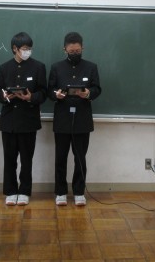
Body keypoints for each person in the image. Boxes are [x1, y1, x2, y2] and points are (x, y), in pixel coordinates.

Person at [47, 31, 101, 206]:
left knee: (80, 158)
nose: (75, 53)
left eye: (77, 51)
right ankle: (60, 192)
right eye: (71, 51)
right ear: (65, 50)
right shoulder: (56, 67)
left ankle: (79, 192)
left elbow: (97, 89)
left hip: (82, 119)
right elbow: (49, 90)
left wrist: (88, 93)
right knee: (60, 158)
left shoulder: (91, 67)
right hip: (62, 118)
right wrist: (56, 94)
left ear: (82, 48)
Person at [0, 32, 47, 206]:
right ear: (15, 49)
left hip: (28, 120)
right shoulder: (4, 67)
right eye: (24, 48)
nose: (27, 51)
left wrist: (31, 97)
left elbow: (43, 93)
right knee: (9, 159)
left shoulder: (38, 67)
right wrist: (5, 96)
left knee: (26, 159)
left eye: (29, 48)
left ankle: (24, 191)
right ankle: (10, 191)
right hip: (8, 120)